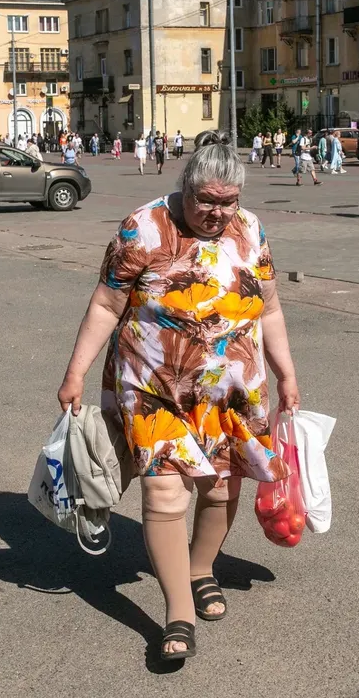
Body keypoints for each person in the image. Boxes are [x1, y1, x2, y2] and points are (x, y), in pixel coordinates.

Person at [57, 130, 302, 662]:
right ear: (184, 187)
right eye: (206, 201)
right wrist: (74, 373)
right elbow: (105, 305)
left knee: (218, 489)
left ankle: (200, 569)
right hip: (153, 388)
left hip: (231, 393)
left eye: (228, 202)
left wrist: (286, 374)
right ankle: (177, 613)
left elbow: (271, 308)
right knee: (166, 495)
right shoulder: (142, 228)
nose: (217, 213)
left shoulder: (252, 230)